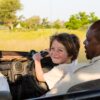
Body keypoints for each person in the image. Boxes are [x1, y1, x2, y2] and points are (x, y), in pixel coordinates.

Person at [44, 20, 100, 97]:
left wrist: (36, 60)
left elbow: (49, 97)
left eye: (88, 39)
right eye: (52, 49)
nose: (84, 42)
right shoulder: (76, 65)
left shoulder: (80, 73)